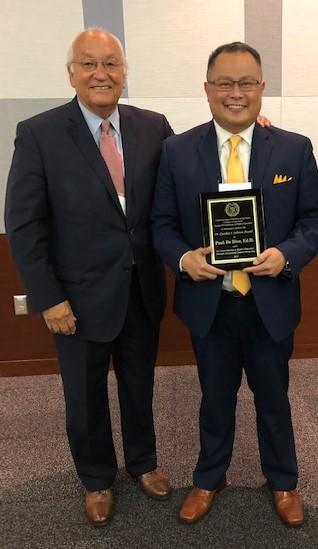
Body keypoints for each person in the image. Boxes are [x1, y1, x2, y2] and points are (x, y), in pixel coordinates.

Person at [5, 28, 173, 527]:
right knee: (84, 395)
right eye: (89, 64)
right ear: (71, 73)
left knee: (139, 385)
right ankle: (97, 478)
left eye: (111, 64)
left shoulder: (153, 126)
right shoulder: (39, 133)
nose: (101, 73)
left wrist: (248, 132)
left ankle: (143, 462)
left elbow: (185, 177)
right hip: (75, 299)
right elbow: (25, 224)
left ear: (124, 73)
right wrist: (48, 297)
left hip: (141, 288)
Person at [152, 41, 318, 527]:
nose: (236, 93)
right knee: (214, 395)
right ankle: (209, 476)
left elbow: (313, 220)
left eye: (247, 82)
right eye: (224, 82)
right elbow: (161, 224)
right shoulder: (176, 151)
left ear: (262, 88)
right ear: (207, 89)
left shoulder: (294, 147)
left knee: (274, 396)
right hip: (210, 303)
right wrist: (184, 258)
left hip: (271, 301)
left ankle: (284, 481)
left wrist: (287, 254)